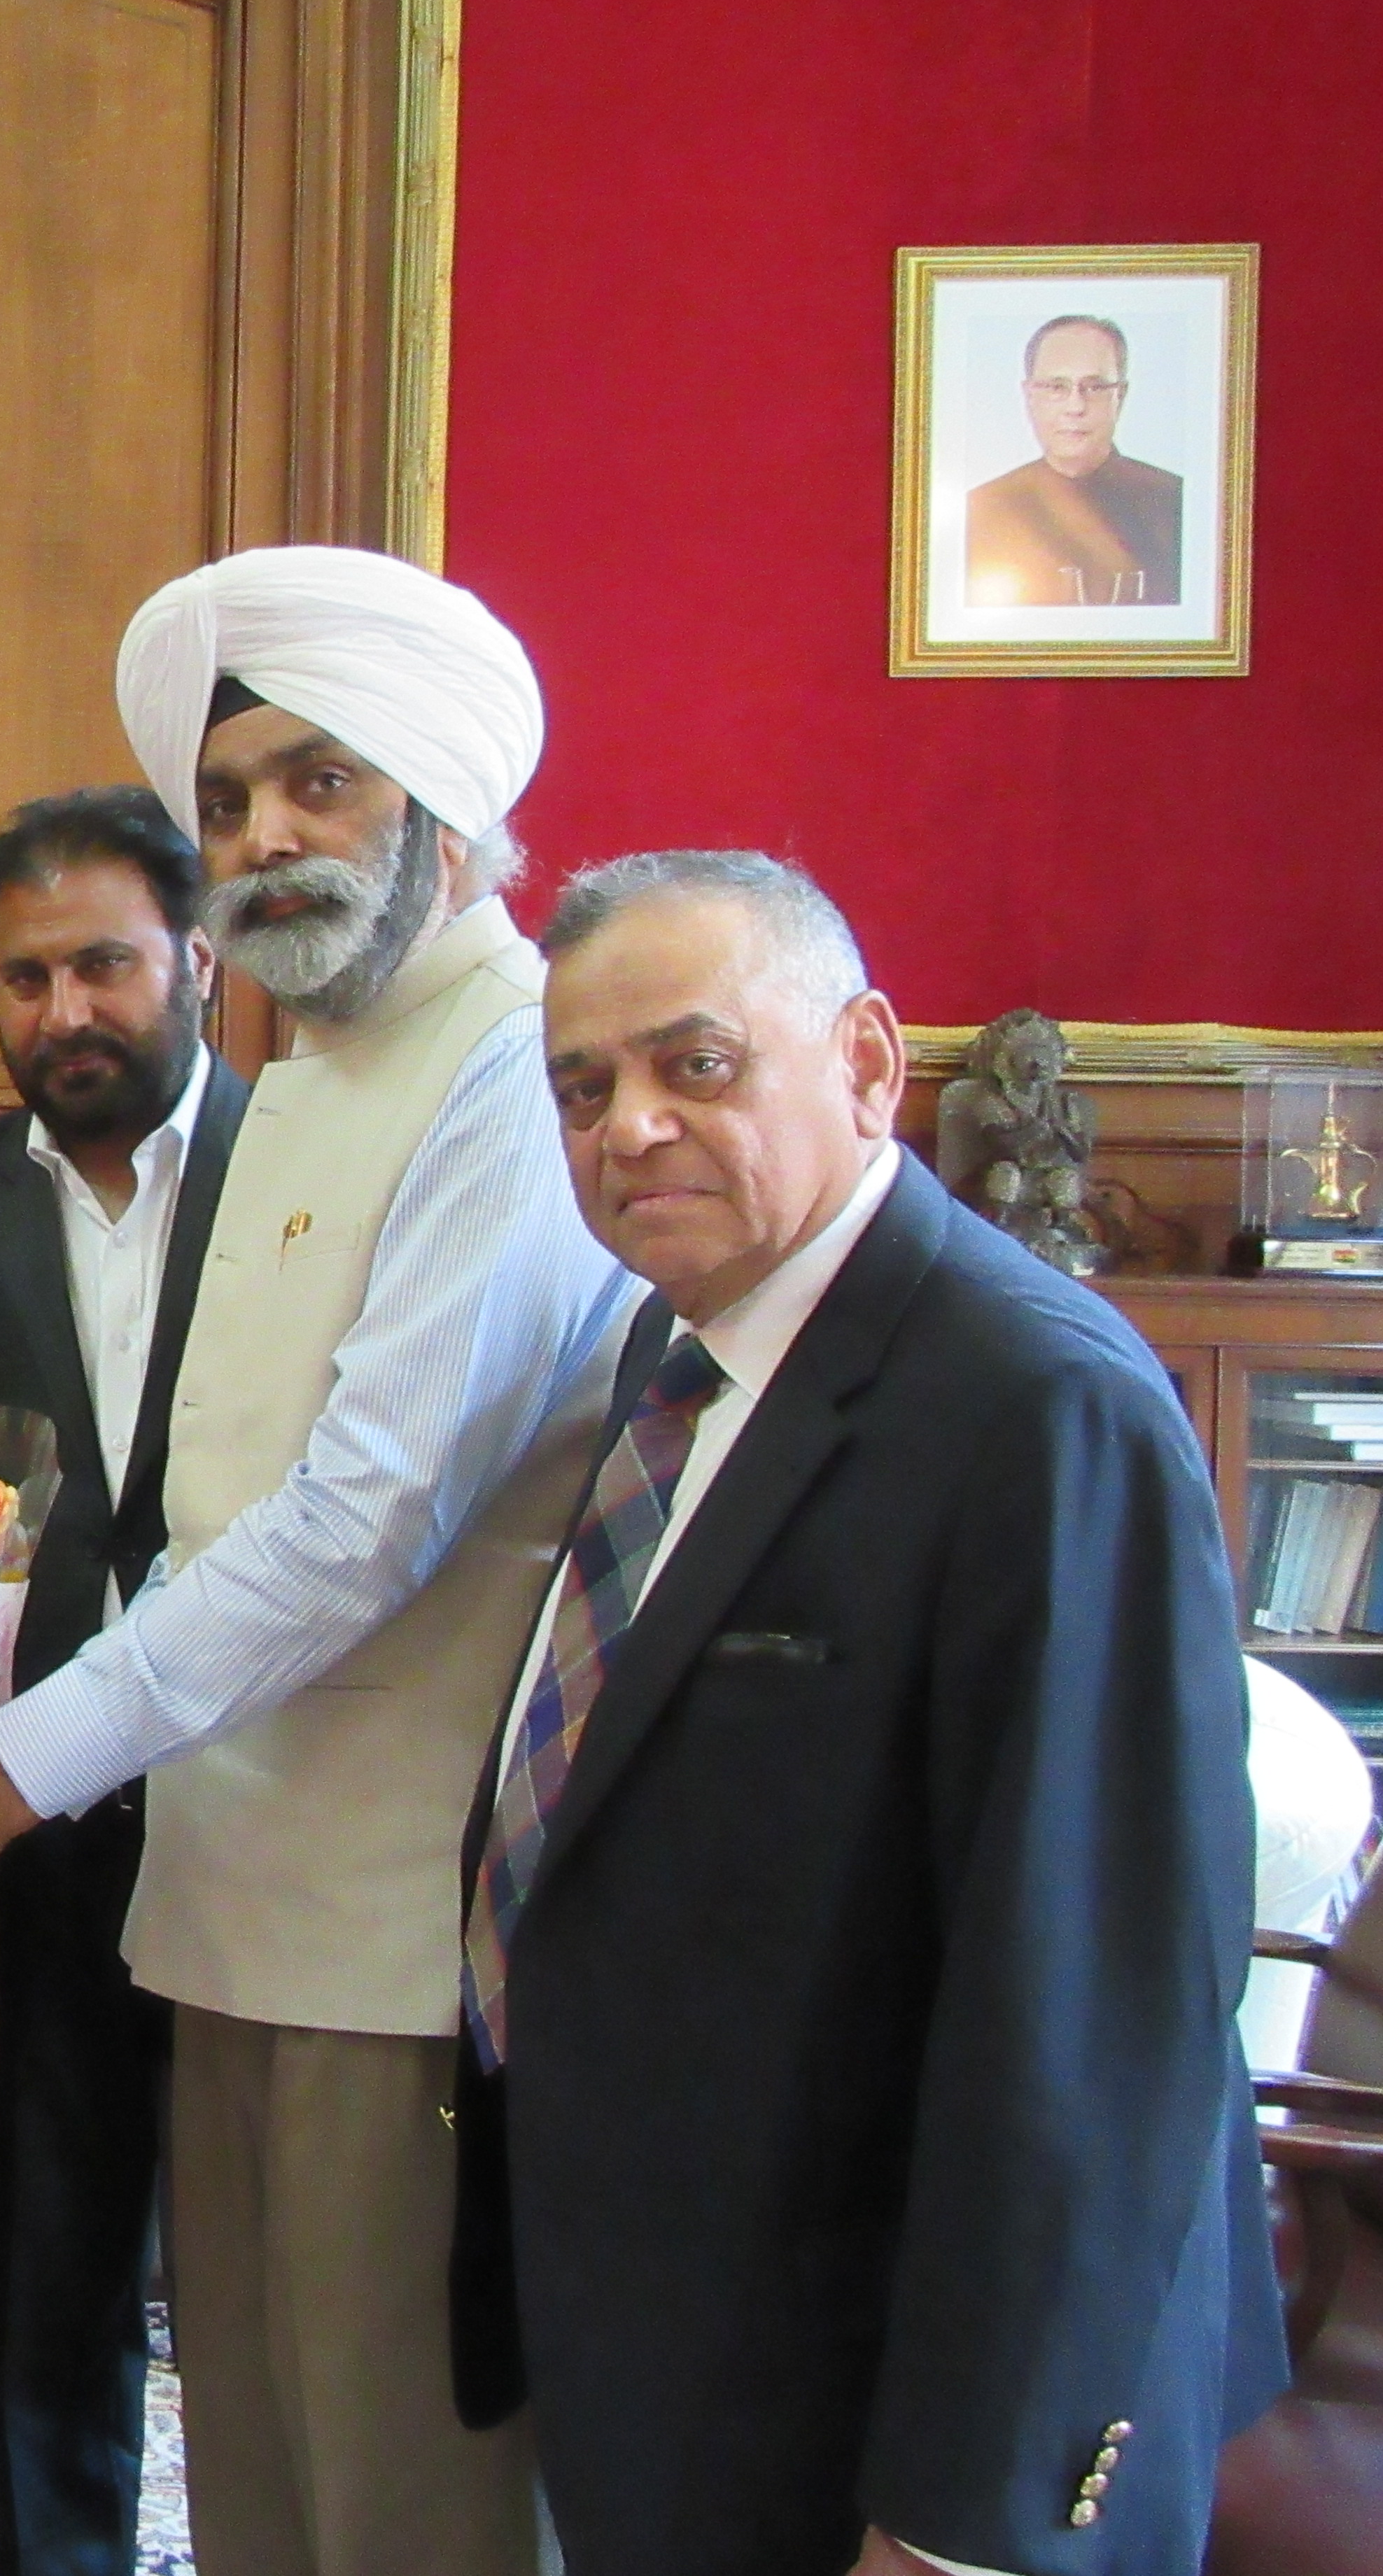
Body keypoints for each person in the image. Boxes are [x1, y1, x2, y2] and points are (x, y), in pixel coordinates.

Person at [0, 546, 633, 2576]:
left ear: (447, 809)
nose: (267, 835)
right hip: (219, 1904)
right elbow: (194, 1516)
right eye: (237, 795)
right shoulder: (336, 1074)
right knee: (262, 2499)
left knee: (402, 2508)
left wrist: (4, 1773)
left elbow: (359, 1523)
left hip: (400, 1947)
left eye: (323, 786)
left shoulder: (517, 1068)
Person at [453, 850, 1286, 2574]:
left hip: (896, 2409)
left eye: (696, 1065)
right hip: (688, 2341)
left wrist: (968, 2513)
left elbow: (1096, 2005)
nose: (628, 1129)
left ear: (865, 1063)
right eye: (582, 1085)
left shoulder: (1033, 1403)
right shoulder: (680, 1355)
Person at [0, 786, 249, 2575]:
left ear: (199, 963)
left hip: (279, 1807)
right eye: (24, 976)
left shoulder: (312, 1172)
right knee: (52, 2277)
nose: (63, 1009)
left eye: (101, 962)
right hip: (40, 1818)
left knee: (278, 2295)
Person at [960, 314, 1182, 610]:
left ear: (1121, 395)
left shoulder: (1174, 503)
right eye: (1056, 387)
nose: (1076, 407)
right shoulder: (982, 508)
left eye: (1094, 387)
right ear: (1029, 396)